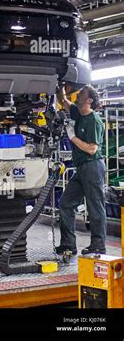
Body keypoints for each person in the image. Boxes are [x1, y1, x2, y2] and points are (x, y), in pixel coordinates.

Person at [57, 85, 106, 255]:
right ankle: (69, 244)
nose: (77, 96)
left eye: (81, 94)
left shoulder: (94, 120)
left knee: (95, 206)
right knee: (65, 203)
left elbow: (92, 148)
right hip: (81, 167)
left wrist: (72, 137)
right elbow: (63, 101)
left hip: (93, 165)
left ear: (89, 100)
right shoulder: (78, 113)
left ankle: (98, 244)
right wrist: (60, 86)